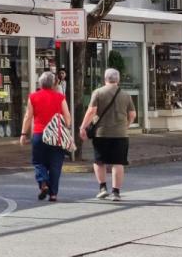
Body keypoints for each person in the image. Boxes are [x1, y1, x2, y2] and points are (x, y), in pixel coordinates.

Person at [80, 68, 136, 202]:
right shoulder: (126, 95)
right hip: (121, 134)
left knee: (99, 161)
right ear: (118, 79)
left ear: (105, 79)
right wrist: (126, 125)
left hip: (101, 133)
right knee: (118, 163)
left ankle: (102, 188)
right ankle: (116, 192)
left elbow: (91, 111)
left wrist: (83, 127)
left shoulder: (98, 92)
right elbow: (133, 115)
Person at [20, 71, 72, 202]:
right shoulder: (60, 97)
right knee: (55, 165)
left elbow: (28, 116)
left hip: (39, 133)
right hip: (56, 135)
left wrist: (23, 134)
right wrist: (66, 126)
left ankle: (43, 183)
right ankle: (53, 194)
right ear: (54, 83)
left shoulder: (33, 97)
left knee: (39, 162)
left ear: (40, 83)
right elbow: (67, 118)